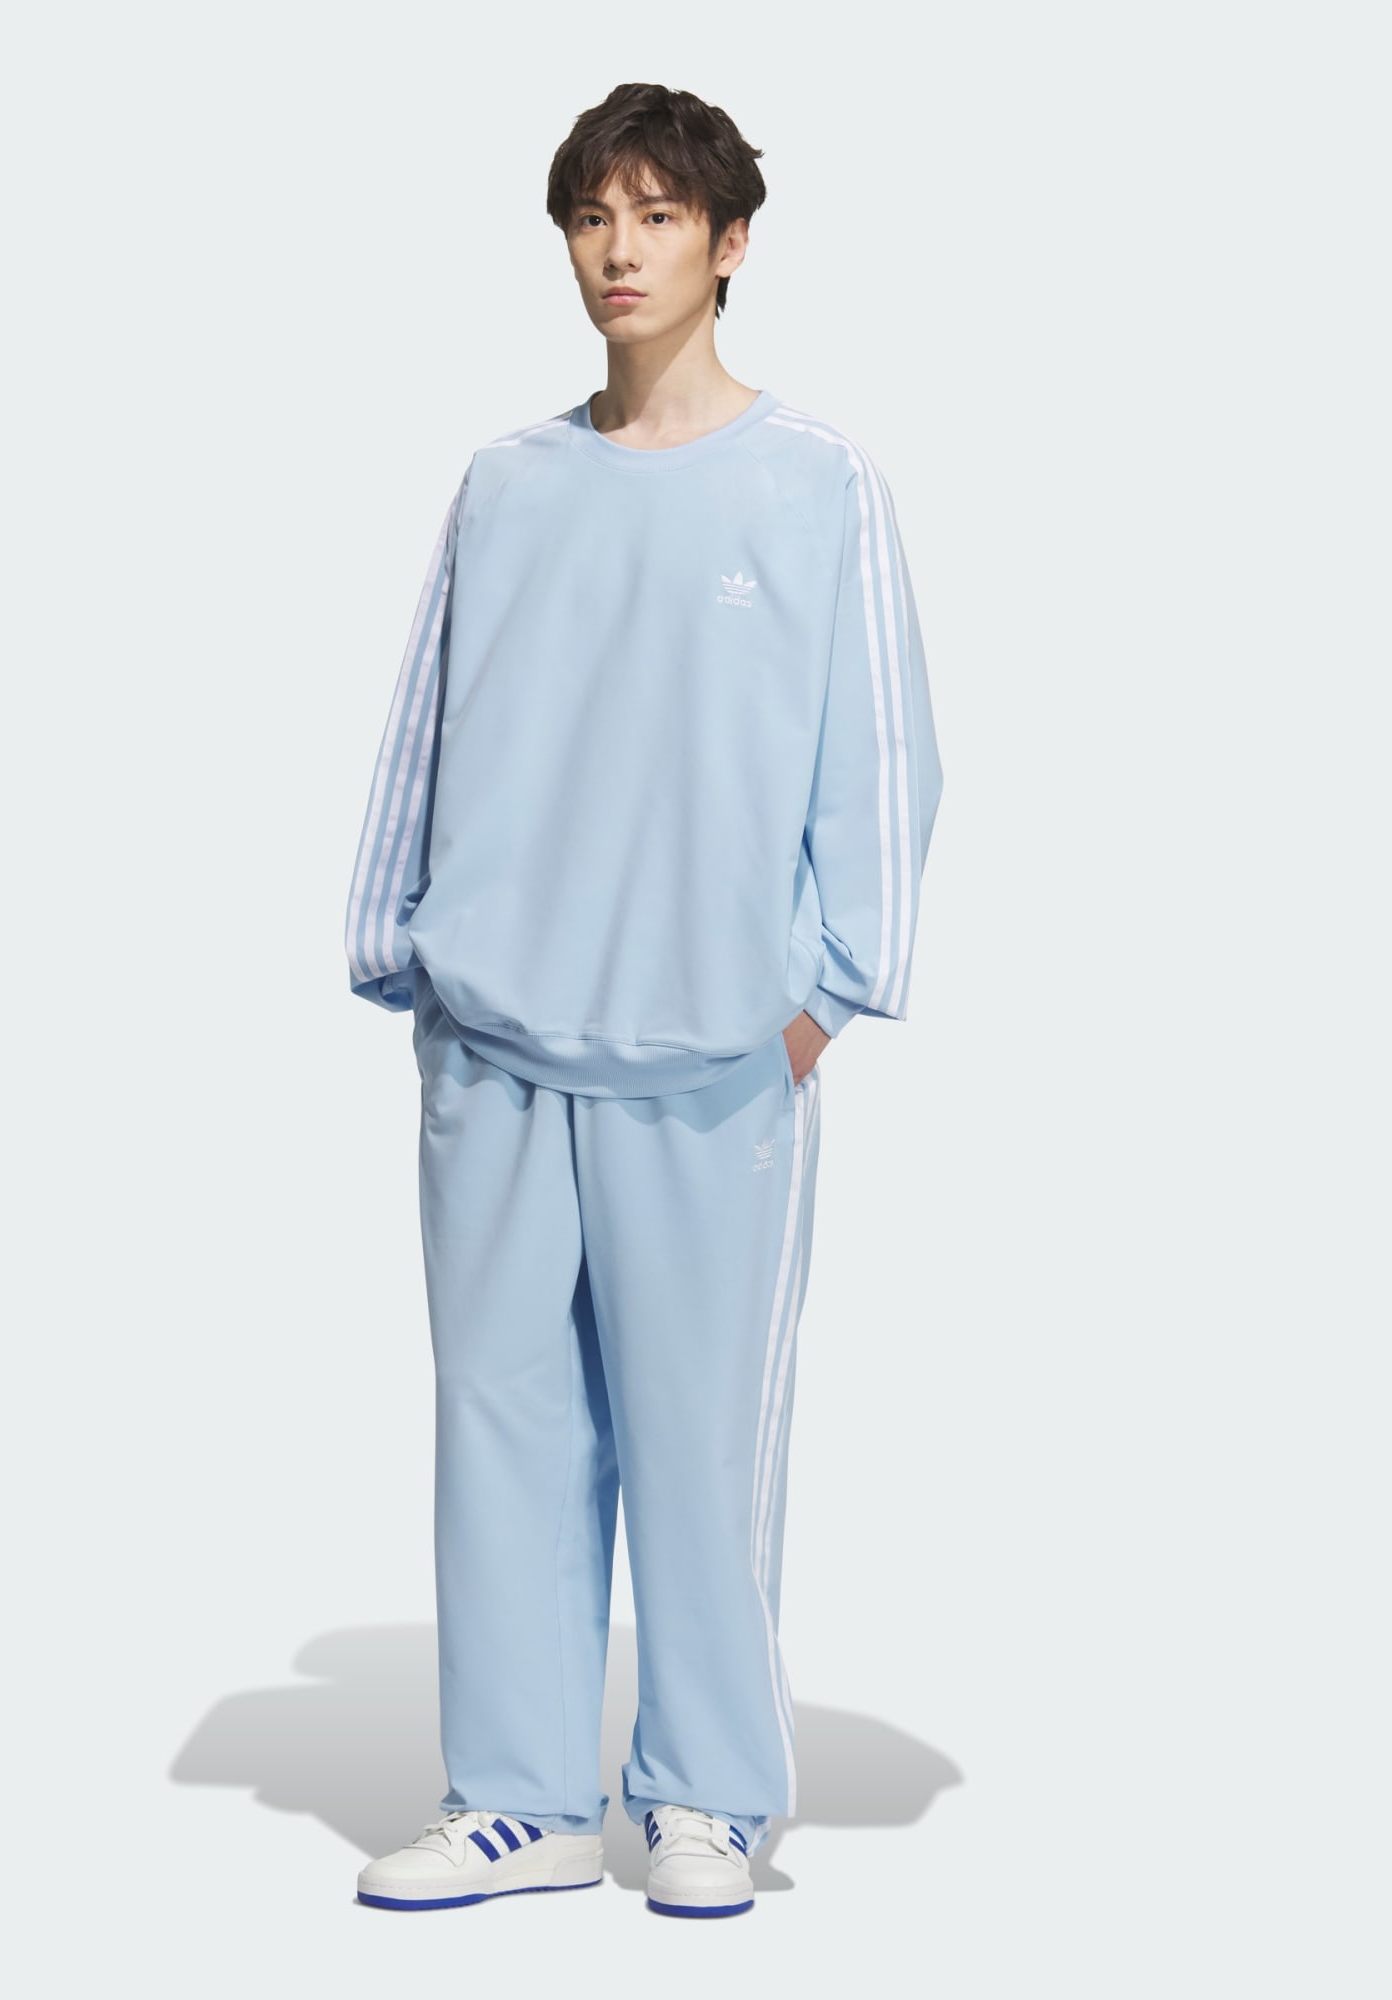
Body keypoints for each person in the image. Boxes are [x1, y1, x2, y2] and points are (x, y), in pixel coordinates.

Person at [341, 81, 944, 1918]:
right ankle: (518, 1798)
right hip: (500, 1048)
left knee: (697, 1442)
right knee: (499, 1428)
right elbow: (425, 729)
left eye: (660, 215)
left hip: (712, 1063)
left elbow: (885, 763)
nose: (620, 251)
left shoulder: (818, 484)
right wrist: (408, 954)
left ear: (731, 241)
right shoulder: (506, 484)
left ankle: (706, 1795)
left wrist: (821, 1000)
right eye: (593, 217)